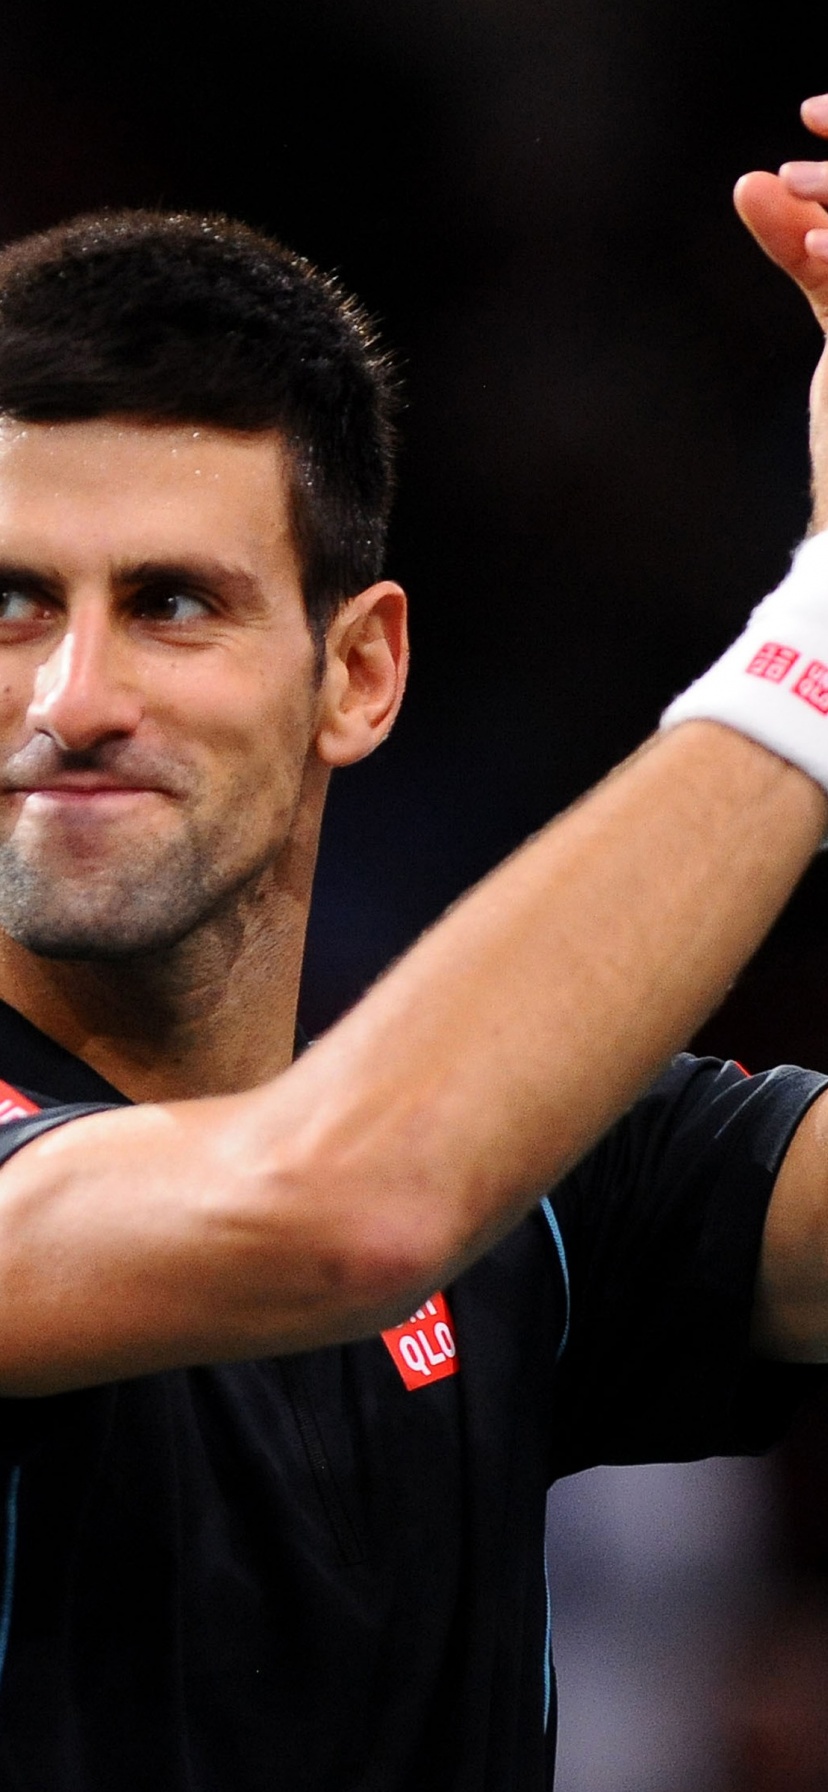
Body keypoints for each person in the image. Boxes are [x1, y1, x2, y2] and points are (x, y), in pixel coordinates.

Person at [0, 96, 827, 1792]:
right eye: (7, 604)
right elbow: (354, 1201)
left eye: (171, 603)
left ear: (358, 675)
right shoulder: (390, 1182)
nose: (70, 699)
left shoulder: (539, 1197)